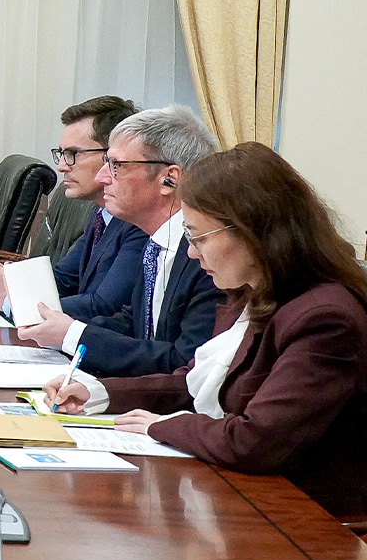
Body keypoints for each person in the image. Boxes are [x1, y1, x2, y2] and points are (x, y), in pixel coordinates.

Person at [43, 143, 367, 519]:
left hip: (302, 519)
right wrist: (98, 392)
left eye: (199, 238)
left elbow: (254, 441)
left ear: (251, 232)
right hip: (239, 492)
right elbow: (193, 381)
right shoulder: (258, 292)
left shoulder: (325, 319)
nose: (192, 254)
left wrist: (164, 427)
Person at [15, 106, 221, 377]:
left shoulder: (205, 256)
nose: (102, 177)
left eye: (116, 166)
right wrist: (61, 331)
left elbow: (184, 364)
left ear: (169, 179)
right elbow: (134, 324)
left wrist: (72, 335)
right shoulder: (157, 242)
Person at [0, 96, 148, 319]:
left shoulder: (139, 222)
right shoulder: (102, 214)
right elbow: (63, 279)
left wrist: (14, 303)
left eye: (73, 154)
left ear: (112, 156)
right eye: (61, 154)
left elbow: (103, 307)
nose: (61, 166)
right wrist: (11, 282)